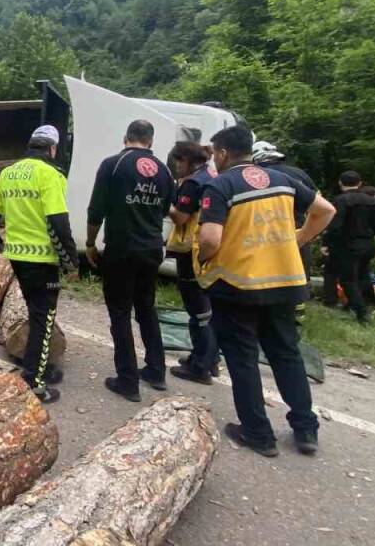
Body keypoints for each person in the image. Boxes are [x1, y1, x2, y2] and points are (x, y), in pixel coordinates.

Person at [196, 125, 335, 457]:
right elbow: (326, 211)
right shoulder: (283, 180)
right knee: (287, 355)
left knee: (243, 360)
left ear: (224, 153)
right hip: (285, 283)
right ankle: (305, 429)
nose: (215, 157)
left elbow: (211, 239)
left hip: (238, 286)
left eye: (215, 152)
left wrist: (203, 258)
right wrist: (297, 239)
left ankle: (258, 433)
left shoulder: (221, 185)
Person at [0, 124, 78, 404]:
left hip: (18, 259)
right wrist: (70, 262)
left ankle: (40, 365)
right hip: (44, 262)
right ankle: (34, 381)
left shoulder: (9, 173)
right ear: (52, 148)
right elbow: (57, 222)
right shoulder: (51, 174)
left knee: (37, 314)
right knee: (43, 317)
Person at [86, 120, 176, 401]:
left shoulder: (112, 164)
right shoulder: (164, 170)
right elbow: (164, 211)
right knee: (146, 308)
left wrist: (90, 243)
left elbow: (96, 210)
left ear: (126, 138)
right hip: (151, 250)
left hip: (121, 249)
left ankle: (127, 381)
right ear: (150, 141)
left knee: (120, 312)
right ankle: (156, 371)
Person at [163, 140, 220, 385]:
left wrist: (166, 202)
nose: (176, 166)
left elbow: (180, 217)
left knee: (197, 311)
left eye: (178, 161)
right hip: (207, 251)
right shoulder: (210, 175)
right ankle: (209, 359)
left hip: (191, 250)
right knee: (206, 309)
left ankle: (200, 367)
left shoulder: (192, 183)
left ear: (187, 160)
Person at [253, 141, 319, 323]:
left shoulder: (259, 176)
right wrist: (307, 231)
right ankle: (297, 313)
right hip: (298, 227)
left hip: (268, 229)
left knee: (268, 270)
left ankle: (269, 310)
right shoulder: (299, 173)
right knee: (298, 269)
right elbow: (319, 203)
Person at [322, 171, 375, 323]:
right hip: (367, 244)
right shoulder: (372, 202)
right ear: (360, 183)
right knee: (363, 276)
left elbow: (334, 226)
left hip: (347, 245)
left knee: (348, 280)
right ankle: (365, 304)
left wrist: (327, 244)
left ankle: (361, 312)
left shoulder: (340, 201)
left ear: (340, 183)